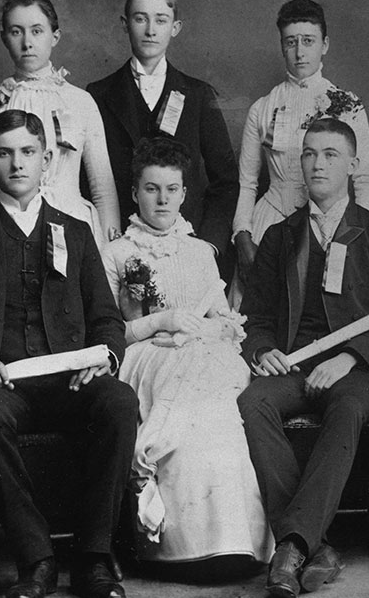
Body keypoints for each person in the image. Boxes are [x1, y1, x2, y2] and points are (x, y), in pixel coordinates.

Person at [0, 109, 137, 598]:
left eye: (26, 153)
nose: (16, 164)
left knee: (120, 402)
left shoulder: (76, 231)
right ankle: (35, 559)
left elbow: (107, 318)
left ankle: (93, 558)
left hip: (70, 382)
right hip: (2, 386)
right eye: (3, 153)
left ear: (46, 160)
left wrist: (103, 356)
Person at [237, 117, 369, 598]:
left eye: (330, 154)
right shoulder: (280, 235)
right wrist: (262, 349)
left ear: (353, 165)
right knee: (253, 402)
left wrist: (352, 357)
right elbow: (256, 316)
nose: (317, 164)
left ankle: (290, 545)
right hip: (293, 362)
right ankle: (314, 546)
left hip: (357, 371)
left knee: (349, 409)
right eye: (310, 154)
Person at [101, 138, 273, 573]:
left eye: (172, 189)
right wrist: (161, 321)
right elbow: (107, 334)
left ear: (184, 193)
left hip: (201, 354)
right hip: (144, 354)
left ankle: (233, 540)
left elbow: (223, 316)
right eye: (152, 188)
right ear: (135, 193)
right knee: (187, 383)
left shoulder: (200, 251)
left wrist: (215, 326)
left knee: (217, 403)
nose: (162, 200)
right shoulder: (117, 253)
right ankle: (175, 547)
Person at [87, 0, 239, 272]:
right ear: (125, 24)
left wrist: (208, 243)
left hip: (188, 247)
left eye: (161, 20)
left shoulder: (198, 94)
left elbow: (226, 181)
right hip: (121, 249)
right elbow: (89, 181)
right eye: (140, 18)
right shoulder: (98, 94)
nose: (150, 30)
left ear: (176, 27)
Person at [0, 0, 120, 247]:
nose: (27, 42)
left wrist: (109, 256)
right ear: (4, 37)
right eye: (16, 32)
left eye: (37, 31)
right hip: (6, 231)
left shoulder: (80, 102)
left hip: (72, 231)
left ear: (55, 36)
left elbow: (103, 191)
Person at [232, 0, 369, 295]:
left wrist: (361, 235)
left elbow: (364, 179)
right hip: (271, 219)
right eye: (290, 42)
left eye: (308, 41)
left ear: (324, 44)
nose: (299, 52)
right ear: (282, 46)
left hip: (332, 222)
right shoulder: (262, 108)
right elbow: (247, 182)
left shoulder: (347, 105)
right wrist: (242, 235)